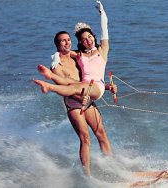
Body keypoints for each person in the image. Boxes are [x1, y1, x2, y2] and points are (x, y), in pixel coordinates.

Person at [36, 1, 115, 176]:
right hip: (74, 102)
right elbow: (66, 85)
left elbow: (93, 74)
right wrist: (54, 63)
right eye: (62, 42)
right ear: (57, 45)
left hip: (87, 95)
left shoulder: (77, 56)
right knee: (85, 138)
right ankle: (86, 175)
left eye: (68, 40)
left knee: (101, 133)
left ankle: (111, 167)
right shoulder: (57, 64)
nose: (67, 43)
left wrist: (107, 86)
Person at [33, 0, 109, 102]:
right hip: (83, 86)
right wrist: (55, 58)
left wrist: (102, 13)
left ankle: (49, 86)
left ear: (94, 37)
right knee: (68, 82)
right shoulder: (80, 54)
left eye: (90, 36)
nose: (88, 40)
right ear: (81, 43)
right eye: (84, 40)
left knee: (73, 88)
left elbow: (104, 30)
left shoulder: (102, 51)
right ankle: (51, 75)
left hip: (97, 87)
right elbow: (63, 51)